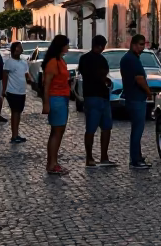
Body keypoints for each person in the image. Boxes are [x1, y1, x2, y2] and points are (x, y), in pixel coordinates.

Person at [78, 34, 116, 168]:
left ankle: (90, 157)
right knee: (105, 128)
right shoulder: (101, 60)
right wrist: (106, 80)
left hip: (90, 96)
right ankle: (103, 157)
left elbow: (83, 74)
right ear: (101, 46)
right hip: (101, 96)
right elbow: (103, 75)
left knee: (91, 129)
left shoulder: (83, 59)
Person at [120, 34, 152, 170]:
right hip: (136, 98)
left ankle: (137, 157)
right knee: (137, 130)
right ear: (133, 44)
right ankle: (135, 160)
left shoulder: (128, 58)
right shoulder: (132, 59)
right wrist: (149, 92)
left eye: (143, 44)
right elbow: (139, 79)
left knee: (136, 129)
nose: (142, 47)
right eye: (140, 44)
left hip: (132, 97)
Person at [42, 34, 71, 176]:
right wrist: (46, 103)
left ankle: (53, 162)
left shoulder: (61, 61)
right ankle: (52, 164)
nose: (68, 47)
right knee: (56, 132)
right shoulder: (53, 62)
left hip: (63, 98)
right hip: (56, 98)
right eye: (66, 44)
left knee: (58, 132)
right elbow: (46, 84)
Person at [2, 41, 29, 143]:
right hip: (12, 91)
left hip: (22, 91)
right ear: (14, 49)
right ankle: (14, 136)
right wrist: (3, 90)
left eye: (21, 48)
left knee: (18, 113)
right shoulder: (9, 62)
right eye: (19, 47)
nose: (21, 49)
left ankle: (16, 134)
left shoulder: (23, 62)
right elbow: (4, 76)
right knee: (15, 112)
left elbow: (27, 75)